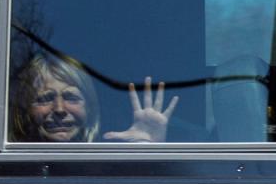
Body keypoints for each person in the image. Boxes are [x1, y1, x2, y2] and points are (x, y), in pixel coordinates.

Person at [14, 53, 178, 143]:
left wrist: (148, 148)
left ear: (90, 108)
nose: (59, 109)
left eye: (71, 97)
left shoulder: (109, 163)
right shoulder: (10, 167)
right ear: (26, 110)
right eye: (45, 99)